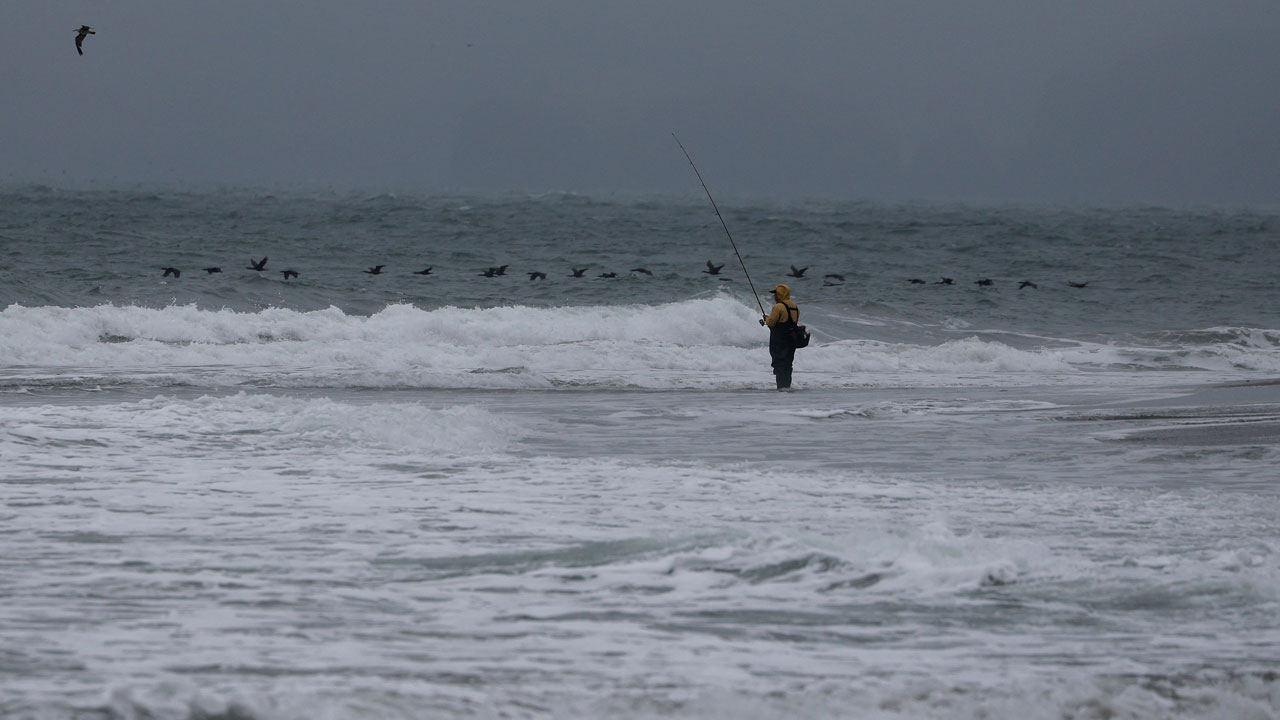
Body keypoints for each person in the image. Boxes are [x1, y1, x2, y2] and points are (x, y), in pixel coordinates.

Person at [759, 283, 800, 390]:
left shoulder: (778, 307)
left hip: (780, 341)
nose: (774, 296)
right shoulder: (795, 307)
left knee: (779, 364)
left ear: (781, 294)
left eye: (776, 294)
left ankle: (781, 388)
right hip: (791, 341)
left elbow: (771, 323)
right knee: (788, 364)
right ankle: (787, 387)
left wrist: (766, 318)